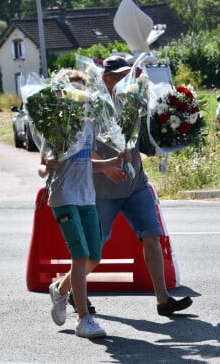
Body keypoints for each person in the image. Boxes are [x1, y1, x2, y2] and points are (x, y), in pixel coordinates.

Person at [90, 55, 193, 316]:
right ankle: (69, 289)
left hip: (136, 184)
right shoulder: (92, 107)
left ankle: (163, 300)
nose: (126, 80)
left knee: (152, 235)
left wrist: (171, 130)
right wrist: (107, 167)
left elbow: (147, 139)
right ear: (106, 78)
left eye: (128, 75)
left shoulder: (136, 102)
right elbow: (81, 149)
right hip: (105, 189)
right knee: (93, 247)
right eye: (119, 76)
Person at [38, 69, 131, 338]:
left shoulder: (89, 123)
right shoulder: (56, 125)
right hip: (64, 196)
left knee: (94, 257)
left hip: (87, 196)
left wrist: (113, 162)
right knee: (79, 256)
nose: (78, 96)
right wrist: (48, 167)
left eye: (81, 89)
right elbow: (42, 167)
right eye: (72, 90)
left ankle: (60, 289)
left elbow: (85, 163)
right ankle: (84, 319)